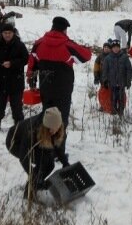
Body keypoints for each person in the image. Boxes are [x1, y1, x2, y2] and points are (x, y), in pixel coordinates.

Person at [26, 16, 92, 164]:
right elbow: (86, 56)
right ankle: (58, 151)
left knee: (47, 115)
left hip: (46, 86)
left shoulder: (39, 43)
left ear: (52, 27)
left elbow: (32, 63)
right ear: (64, 29)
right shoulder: (67, 45)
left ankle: (44, 146)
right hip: (63, 88)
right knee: (61, 120)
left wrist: (30, 76)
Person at [6, 107, 69, 200]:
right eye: (52, 129)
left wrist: (65, 162)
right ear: (46, 127)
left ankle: (36, 184)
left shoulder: (56, 127)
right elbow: (24, 157)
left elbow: (57, 145)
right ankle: (30, 192)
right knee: (42, 162)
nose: (55, 131)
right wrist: (33, 175)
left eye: (57, 128)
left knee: (50, 164)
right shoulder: (31, 130)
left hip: (36, 140)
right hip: (15, 141)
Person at [0, 22, 29, 132]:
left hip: (16, 81)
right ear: (2, 33)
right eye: (5, 33)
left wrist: (12, 63)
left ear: (13, 33)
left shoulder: (19, 45)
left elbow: (26, 59)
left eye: (9, 33)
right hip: (0, 81)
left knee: (17, 106)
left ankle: (19, 126)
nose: (7, 35)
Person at [101, 39, 132, 116]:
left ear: (119, 47)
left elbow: (129, 69)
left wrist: (128, 81)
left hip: (121, 82)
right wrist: (105, 80)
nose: (116, 49)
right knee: (113, 98)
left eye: (117, 47)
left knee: (121, 98)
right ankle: (114, 112)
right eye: (114, 47)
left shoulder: (124, 57)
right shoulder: (107, 58)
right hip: (112, 83)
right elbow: (105, 71)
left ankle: (120, 112)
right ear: (112, 48)